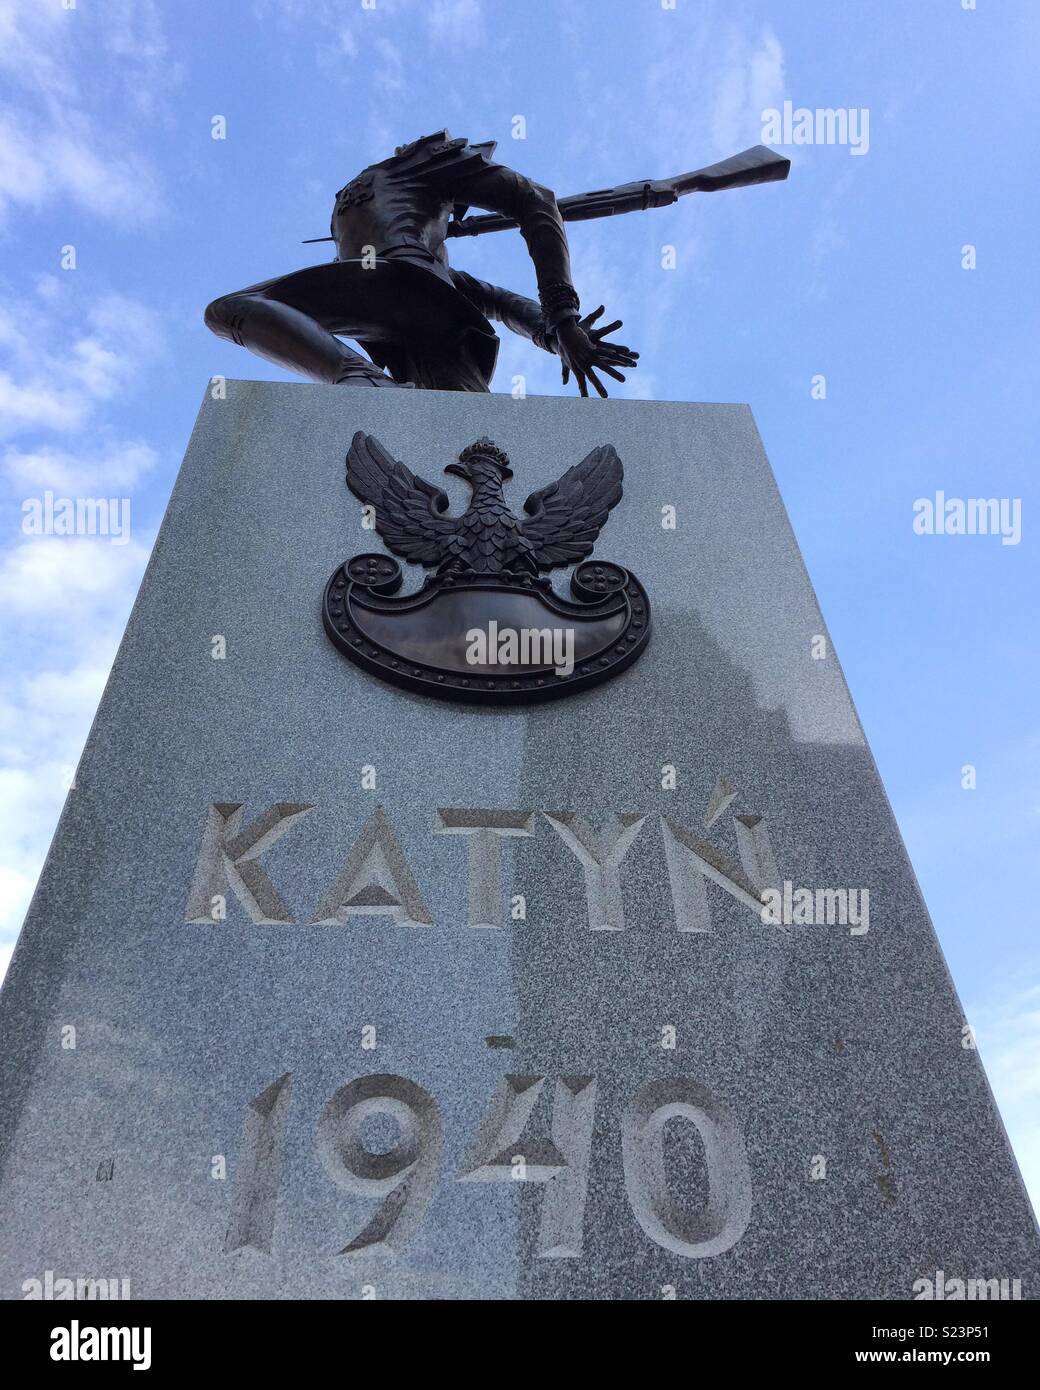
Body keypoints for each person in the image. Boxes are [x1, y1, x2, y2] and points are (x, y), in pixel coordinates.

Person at [204, 130, 638, 395]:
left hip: (403, 294)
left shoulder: (429, 173)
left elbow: (536, 201)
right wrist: (557, 328)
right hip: (400, 319)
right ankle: (370, 383)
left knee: (230, 309)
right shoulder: (416, 171)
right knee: (457, 429)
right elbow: (501, 301)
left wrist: (560, 322)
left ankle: (356, 376)